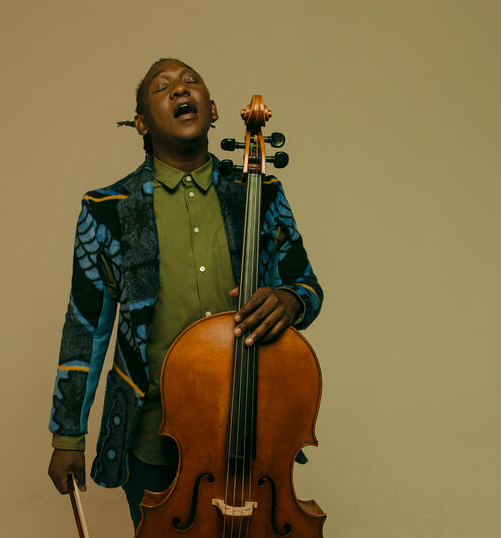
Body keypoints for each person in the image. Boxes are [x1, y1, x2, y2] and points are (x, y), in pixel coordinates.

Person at [47, 58, 323, 529]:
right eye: (163, 87)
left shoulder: (263, 192)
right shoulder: (107, 211)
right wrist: (67, 436)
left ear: (213, 110)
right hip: (154, 434)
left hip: (253, 433)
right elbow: (85, 328)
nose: (180, 90)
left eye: (190, 82)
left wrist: (290, 300)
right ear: (140, 122)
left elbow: (308, 288)